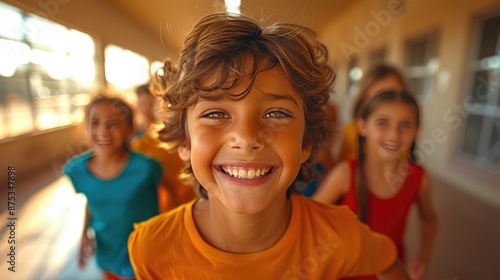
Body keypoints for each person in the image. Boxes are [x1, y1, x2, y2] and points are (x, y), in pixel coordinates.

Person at [128, 12, 410, 279]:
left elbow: (389, 263)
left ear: (306, 142)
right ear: (184, 141)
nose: (247, 137)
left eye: (277, 114)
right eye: (215, 114)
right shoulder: (150, 248)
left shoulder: (338, 236)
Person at [313, 90, 438, 280]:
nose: (394, 134)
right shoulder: (345, 173)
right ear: (362, 126)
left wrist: (423, 257)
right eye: (383, 122)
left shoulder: (419, 178)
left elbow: (429, 220)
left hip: (391, 272)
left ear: (417, 131)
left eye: (405, 125)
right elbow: (308, 220)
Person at [64, 93, 162, 280]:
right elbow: (92, 200)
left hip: (147, 257)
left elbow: (166, 198)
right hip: (108, 255)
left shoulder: (147, 168)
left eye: (113, 123)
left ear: (130, 130)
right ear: (85, 128)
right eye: (95, 123)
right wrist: (84, 233)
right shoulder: (77, 171)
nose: (103, 131)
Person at [131, 83, 197, 212]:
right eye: (141, 103)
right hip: (163, 211)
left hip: (196, 205)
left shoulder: (193, 138)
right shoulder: (140, 144)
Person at [339, 64, 408, 162]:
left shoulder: (402, 134)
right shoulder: (350, 131)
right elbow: (340, 165)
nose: (388, 103)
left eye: (393, 94)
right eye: (380, 95)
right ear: (364, 98)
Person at [300, 102, 340, 197]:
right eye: (321, 121)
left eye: (331, 121)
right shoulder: (302, 164)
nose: (327, 126)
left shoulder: (336, 164)